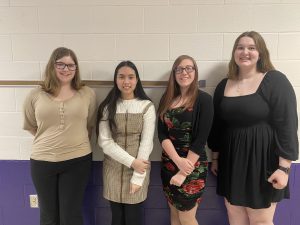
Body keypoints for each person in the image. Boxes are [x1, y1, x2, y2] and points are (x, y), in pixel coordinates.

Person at [208, 31, 299, 225]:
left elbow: (288, 125)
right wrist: (215, 157)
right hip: (231, 160)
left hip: (263, 161)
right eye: (240, 47)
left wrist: (284, 169)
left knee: (260, 222)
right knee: (235, 219)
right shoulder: (224, 85)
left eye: (251, 48)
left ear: (261, 53)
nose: (245, 52)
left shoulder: (275, 80)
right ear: (234, 53)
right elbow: (217, 126)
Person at [23, 47, 97, 225]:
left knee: (70, 216)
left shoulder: (87, 93)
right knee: (48, 216)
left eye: (71, 65)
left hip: (77, 161)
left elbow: (90, 125)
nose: (66, 69)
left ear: (76, 69)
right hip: (42, 162)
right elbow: (31, 125)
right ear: (52, 66)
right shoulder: (35, 94)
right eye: (61, 64)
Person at [97, 61, 156, 225]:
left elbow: (147, 142)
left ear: (137, 80)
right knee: (116, 218)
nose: (126, 81)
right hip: (113, 169)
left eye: (131, 77)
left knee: (133, 218)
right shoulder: (107, 107)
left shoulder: (147, 106)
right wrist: (132, 162)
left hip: (139, 169)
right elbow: (105, 142)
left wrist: (138, 175)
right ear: (116, 80)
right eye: (121, 77)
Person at [157, 55, 214, 225]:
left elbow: (201, 139)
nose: (184, 72)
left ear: (195, 72)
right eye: (180, 69)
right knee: (174, 215)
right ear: (174, 73)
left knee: (186, 217)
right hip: (169, 163)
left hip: (192, 166)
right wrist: (176, 160)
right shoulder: (167, 99)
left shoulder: (204, 100)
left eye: (189, 68)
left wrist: (183, 171)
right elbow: (162, 134)